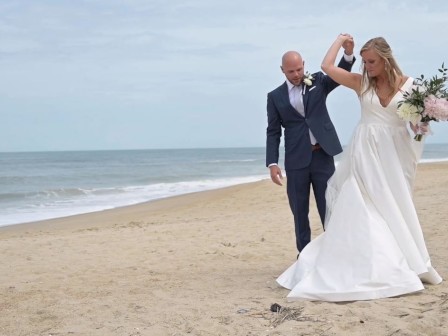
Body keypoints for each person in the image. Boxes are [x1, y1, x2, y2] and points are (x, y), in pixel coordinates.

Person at [276, 34, 443, 302]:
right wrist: (340, 41)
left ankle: (406, 258)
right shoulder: (361, 82)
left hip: (395, 155)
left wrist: (419, 125)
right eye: (364, 61)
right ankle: (368, 261)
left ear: (386, 59)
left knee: (394, 205)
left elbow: (421, 123)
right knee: (363, 205)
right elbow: (328, 66)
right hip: (364, 153)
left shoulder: (410, 85)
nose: (367, 67)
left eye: (372, 62)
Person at [266, 46, 355, 254]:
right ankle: (304, 255)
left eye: (298, 69)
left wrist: (348, 54)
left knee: (329, 206)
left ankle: (334, 252)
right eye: (291, 71)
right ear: (282, 70)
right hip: (296, 160)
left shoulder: (319, 82)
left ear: (303, 65)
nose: (296, 75)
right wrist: (272, 163)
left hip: (322, 155)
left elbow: (339, 73)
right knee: (299, 211)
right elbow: (273, 131)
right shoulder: (275, 97)